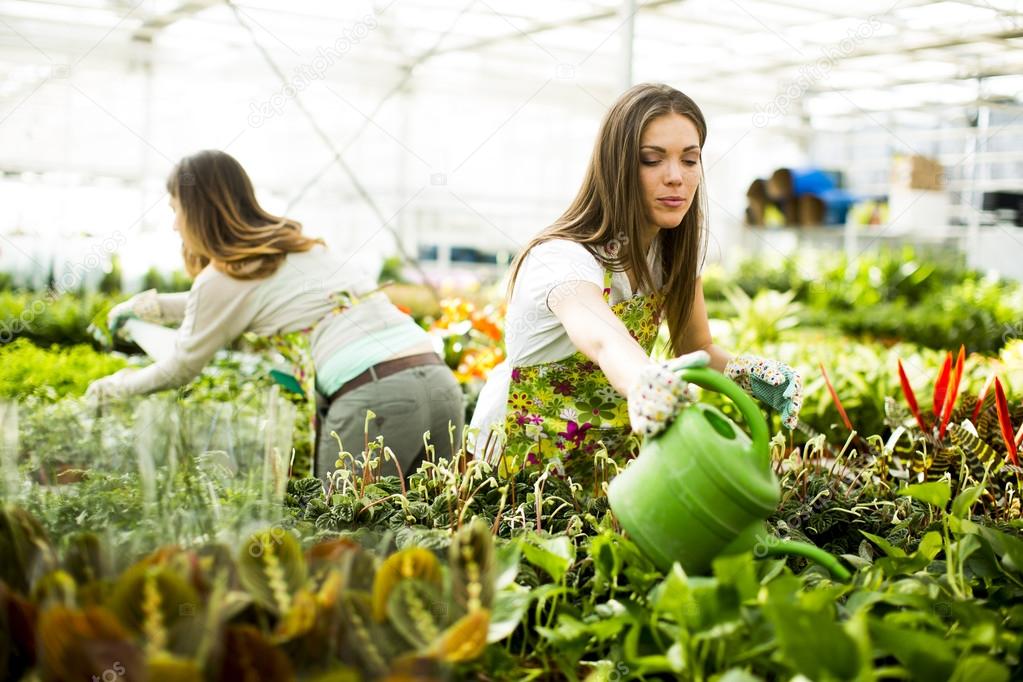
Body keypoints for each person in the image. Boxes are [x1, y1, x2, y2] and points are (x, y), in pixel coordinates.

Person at [469, 83, 803, 478]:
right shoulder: (561, 258)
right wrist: (645, 379)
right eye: (651, 159)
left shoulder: (674, 253)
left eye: (690, 159)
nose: (676, 177)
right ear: (616, 166)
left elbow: (697, 347)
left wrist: (750, 373)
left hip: (602, 456)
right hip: (519, 455)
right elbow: (604, 338)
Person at [86, 150, 463, 483]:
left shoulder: (223, 276)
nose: (173, 224)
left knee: (346, 544)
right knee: (427, 531)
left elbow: (180, 367)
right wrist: (150, 307)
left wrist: (119, 386)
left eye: (174, 210)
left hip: (375, 400)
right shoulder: (295, 248)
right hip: (439, 382)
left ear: (196, 210)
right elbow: (224, 303)